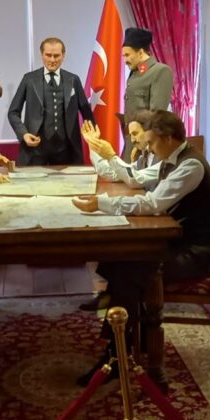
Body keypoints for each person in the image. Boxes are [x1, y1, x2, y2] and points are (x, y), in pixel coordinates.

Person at [71, 110, 210, 385]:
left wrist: (102, 204)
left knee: (131, 270)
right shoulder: (171, 160)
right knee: (119, 258)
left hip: (195, 253)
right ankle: (128, 336)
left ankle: (117, 355)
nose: (148, 148)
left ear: (168, 138)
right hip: (178, 241)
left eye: (151, 142)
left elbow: (152, 203)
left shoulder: (190, 166)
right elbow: (140, 185)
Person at [76, 110, 160, 312]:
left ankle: (122, 307)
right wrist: (93, 145)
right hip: (150, 216)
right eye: (130, 135)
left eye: (136, 134)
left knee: (122, 247)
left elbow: (133, 179)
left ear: (150, 132)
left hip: (160, 225)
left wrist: (112, 155)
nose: (132, 139)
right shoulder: (144, 155)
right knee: (114, 241)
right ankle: (113, 296)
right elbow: (114, 174)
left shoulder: (160, 159)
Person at [7, 37, 95, 165]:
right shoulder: (29, 79)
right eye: (48, 55)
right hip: (35, 150)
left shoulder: (73, 80)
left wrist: (93, 139)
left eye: (56, 56)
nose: (52, 60)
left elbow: (87, 114)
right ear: (41, 54)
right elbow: (13, 112)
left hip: (67, 151)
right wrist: (23, 134)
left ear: (63, 55)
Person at [121, 28, 173, 156]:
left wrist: (144, 145)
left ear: (140, 52)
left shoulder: (161, 71)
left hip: (147, 145)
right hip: (132, 141)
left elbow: (157, 114)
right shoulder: (135, 73)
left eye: (127, 55)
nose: (125, 60)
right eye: (123, 56)